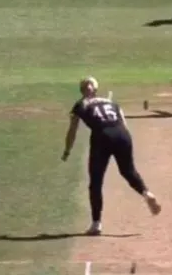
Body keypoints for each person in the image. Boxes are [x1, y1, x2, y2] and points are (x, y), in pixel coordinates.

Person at [61, 76, 161, 235]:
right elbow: (124, 123)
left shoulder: (80, 104)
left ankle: (96, 223)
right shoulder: (112, 103)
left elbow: (72, 130)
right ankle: (146, 193)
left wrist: (67, 150)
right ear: (96, 89)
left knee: (96, 181)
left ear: (81, 90)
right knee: (128, 171)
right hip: (122, 134)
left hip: (101, 136)